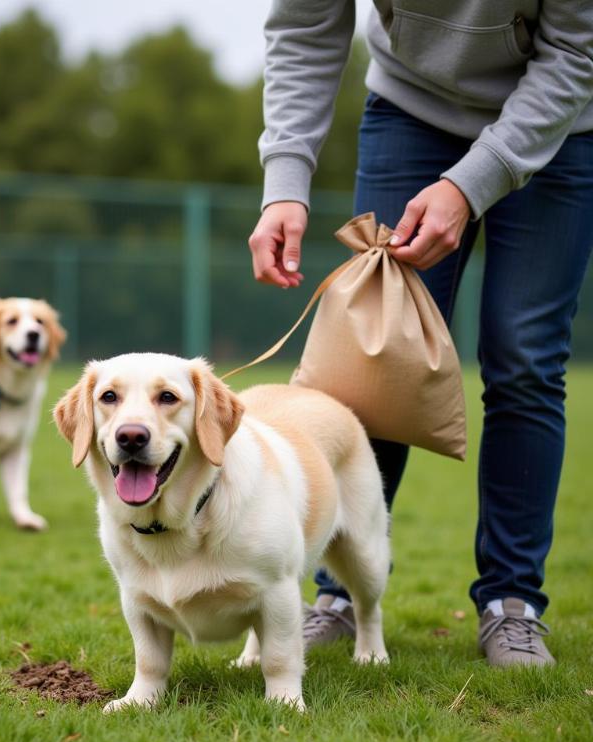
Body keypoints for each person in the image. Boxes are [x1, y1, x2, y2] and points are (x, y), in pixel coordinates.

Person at [248, 0, 593, 667]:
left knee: (525, 360)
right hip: (412, 111)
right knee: (369, 360)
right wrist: (284, 182)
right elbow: (303, 26)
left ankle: (511, 603)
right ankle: (340, 595)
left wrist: (470, 185)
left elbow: (579, 51)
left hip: (562, 126)